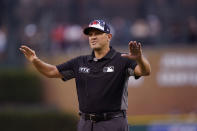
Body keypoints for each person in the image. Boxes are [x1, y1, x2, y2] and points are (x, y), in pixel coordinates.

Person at [19, 19, 151, 131]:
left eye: (98, 33)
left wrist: (139, 58)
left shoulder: (122, 59)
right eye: (90, 34)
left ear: (108, 37)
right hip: (86, 124)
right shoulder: (79, 62)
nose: (93, 37)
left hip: (113, 124)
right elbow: (52, 71)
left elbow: (145, 71)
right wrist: (35, 61)